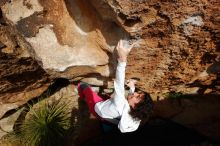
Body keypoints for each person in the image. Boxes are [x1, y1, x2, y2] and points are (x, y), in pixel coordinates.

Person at [77, 40, 153, 133]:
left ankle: (82, 95)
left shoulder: (120, 104)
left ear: (134, 107)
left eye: (137, 96)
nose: (135, 93)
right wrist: (132, 88)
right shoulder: (133, 115)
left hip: (96, 108)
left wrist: (123, 59)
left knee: (84, 86)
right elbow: (128, 101)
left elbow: (119, 83)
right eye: (138, 93)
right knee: (107, 98)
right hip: (106, 117)